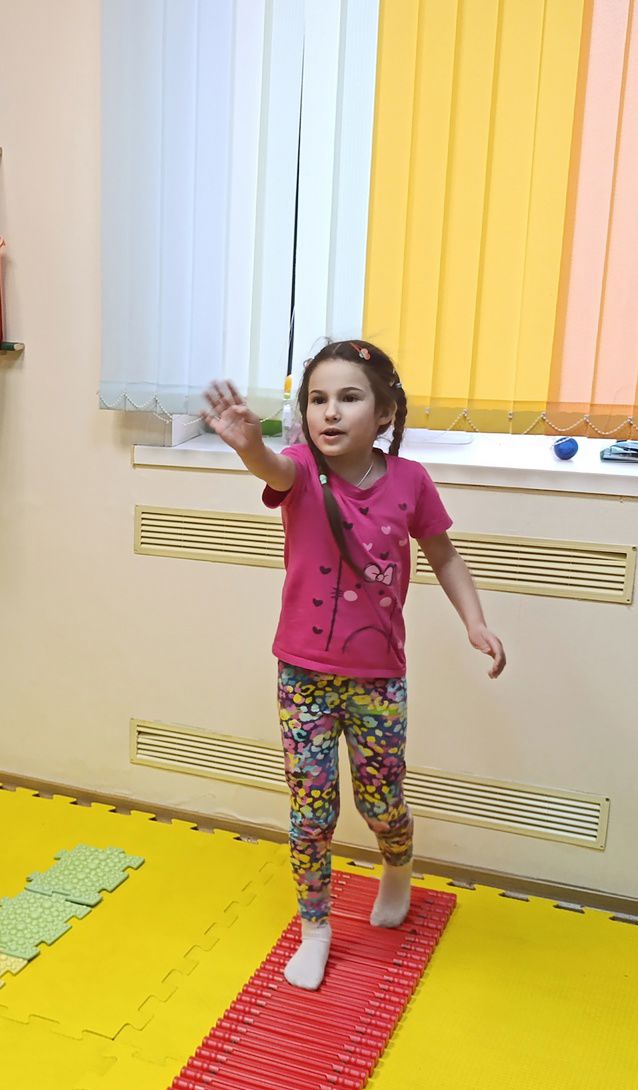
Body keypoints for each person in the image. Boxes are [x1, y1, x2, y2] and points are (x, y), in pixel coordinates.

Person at [202, 340, 506, 990]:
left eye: (348, 398)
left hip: (378, 680)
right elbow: (269, 468)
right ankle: (316, 928)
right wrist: (248, 445)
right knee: (311, 812)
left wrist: (475, 622)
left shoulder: (410, 481)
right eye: (317, 400)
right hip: (302, 677)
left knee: (381, 801)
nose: (330, 412)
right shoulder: (298, 468)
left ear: (385, 412)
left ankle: (398, 866)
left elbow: (444, 555)